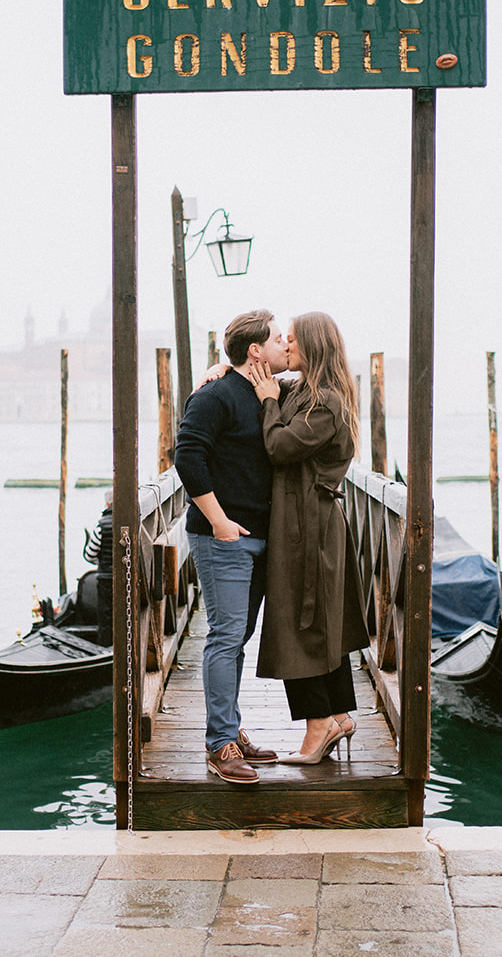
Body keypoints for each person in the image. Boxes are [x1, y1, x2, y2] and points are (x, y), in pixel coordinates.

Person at [172, 309, 288, 784]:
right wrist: (219, 522)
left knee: (237, 637)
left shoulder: (268, 392)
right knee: (224, 636)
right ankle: (219, 745)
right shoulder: (215, 394)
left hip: (260, 534)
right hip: (224, 536)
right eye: (279, 339)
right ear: (255, 349)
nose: (286, 346)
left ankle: (231, 730)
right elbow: (187, 455)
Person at [249, 312, 369, 764]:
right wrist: (222, 369)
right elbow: (266, 385)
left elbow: (279, 447)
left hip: (310, 528)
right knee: (320, 627)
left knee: (295, 627)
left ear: (314, 346)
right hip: (301, 525)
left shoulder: (326, 404)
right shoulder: (303, 391)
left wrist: (266, 403)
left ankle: (318, 726)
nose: (286, 345)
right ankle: (336, 715)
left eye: (293, 340)